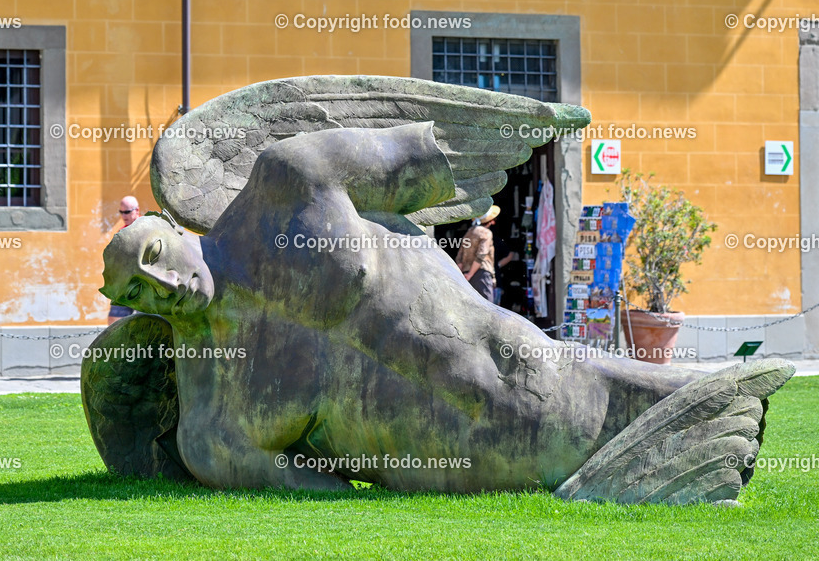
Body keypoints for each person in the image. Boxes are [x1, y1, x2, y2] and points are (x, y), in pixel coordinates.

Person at [99, 124, 708, 492]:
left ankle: (696, 413)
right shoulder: (210, 427)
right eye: (136, 294)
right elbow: (314, 491)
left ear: (166, 226)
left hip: (523, 366)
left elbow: (428, 164)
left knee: (664, 398)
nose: (161, 284)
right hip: (465, 464)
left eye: (153, 255)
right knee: (658, 443)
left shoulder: (290, 180)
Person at [106, 195, 141, 324]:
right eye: (121, 212)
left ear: (137, 210)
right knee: (114, 321)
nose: (124, 215)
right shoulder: (121, 232)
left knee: (148, 321)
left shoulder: (146, 229)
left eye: (127, 212)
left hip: (144, 283)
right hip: (125, 283)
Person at [455, 206, 498, 302]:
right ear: (490, 221)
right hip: (481, 274)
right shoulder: (486, 233)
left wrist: (464, 275)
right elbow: (481, 254)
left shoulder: (469, 232)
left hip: (466, 275)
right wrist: (470, 274)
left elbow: (459, 257)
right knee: (488, 308)